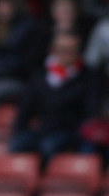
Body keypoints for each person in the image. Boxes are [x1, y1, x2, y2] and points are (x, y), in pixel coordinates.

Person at [10, 29, 99, 163]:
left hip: (70, 134)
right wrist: (20, 131)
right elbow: (25, 110)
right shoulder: (40, 76)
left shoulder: (89, 78)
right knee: (18, 144)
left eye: (72, 50)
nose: (67, 54)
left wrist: (76, 137)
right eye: (62, 49)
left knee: (49, 146)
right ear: (53, 50)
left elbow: (90, 116)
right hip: (43, 130)